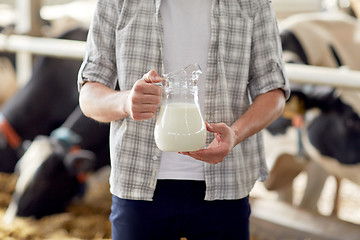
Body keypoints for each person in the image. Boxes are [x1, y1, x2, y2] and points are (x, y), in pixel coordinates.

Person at [78, 0, 290, 239]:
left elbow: (274, 93)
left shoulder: (252, 3)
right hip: (137, 183)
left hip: (226, 183)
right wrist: (125, 102)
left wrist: (235, 134)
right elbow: (88, 95)